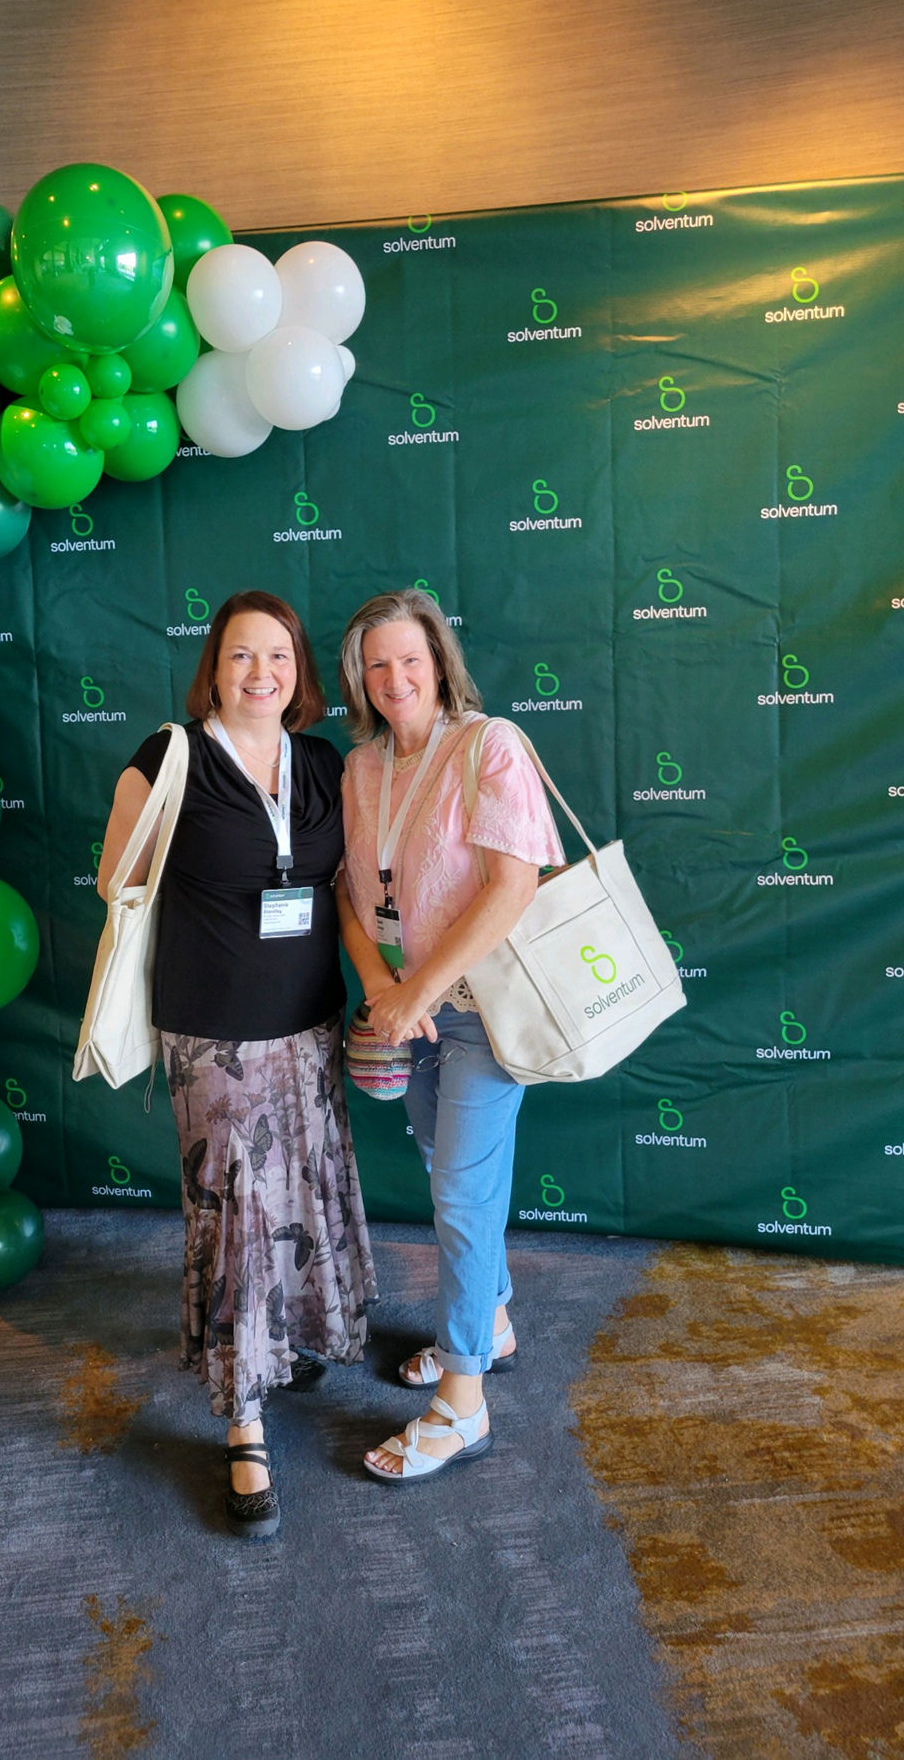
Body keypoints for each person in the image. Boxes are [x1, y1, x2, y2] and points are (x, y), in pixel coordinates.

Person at [97, 590, 376, 1537]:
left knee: (297, 1192)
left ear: (300, 674)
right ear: (213, 668)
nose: (262, 674)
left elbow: (340, 881)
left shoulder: (323, 764)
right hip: (212, 1030)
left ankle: (283, 1344)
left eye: (281, 659)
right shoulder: (167, 757)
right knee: (234, 1211)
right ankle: (244, 1422)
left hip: (309, 1024)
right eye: (243, 657)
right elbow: (116, 881)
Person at [335, 589, 564, 1482]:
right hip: (408, 1011)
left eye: (409, 659)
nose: (395, 678)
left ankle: (463, 1403)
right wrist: (385, 988)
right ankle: (490, 1321)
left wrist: (419, 987)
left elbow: (515, 887)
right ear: (359, 677)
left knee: (463, 1204)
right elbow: (350, 899)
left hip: (478, 1009)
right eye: (376, 664)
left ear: (439, 662)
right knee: (442, 1171)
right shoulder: (358, 769)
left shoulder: (488, 745)